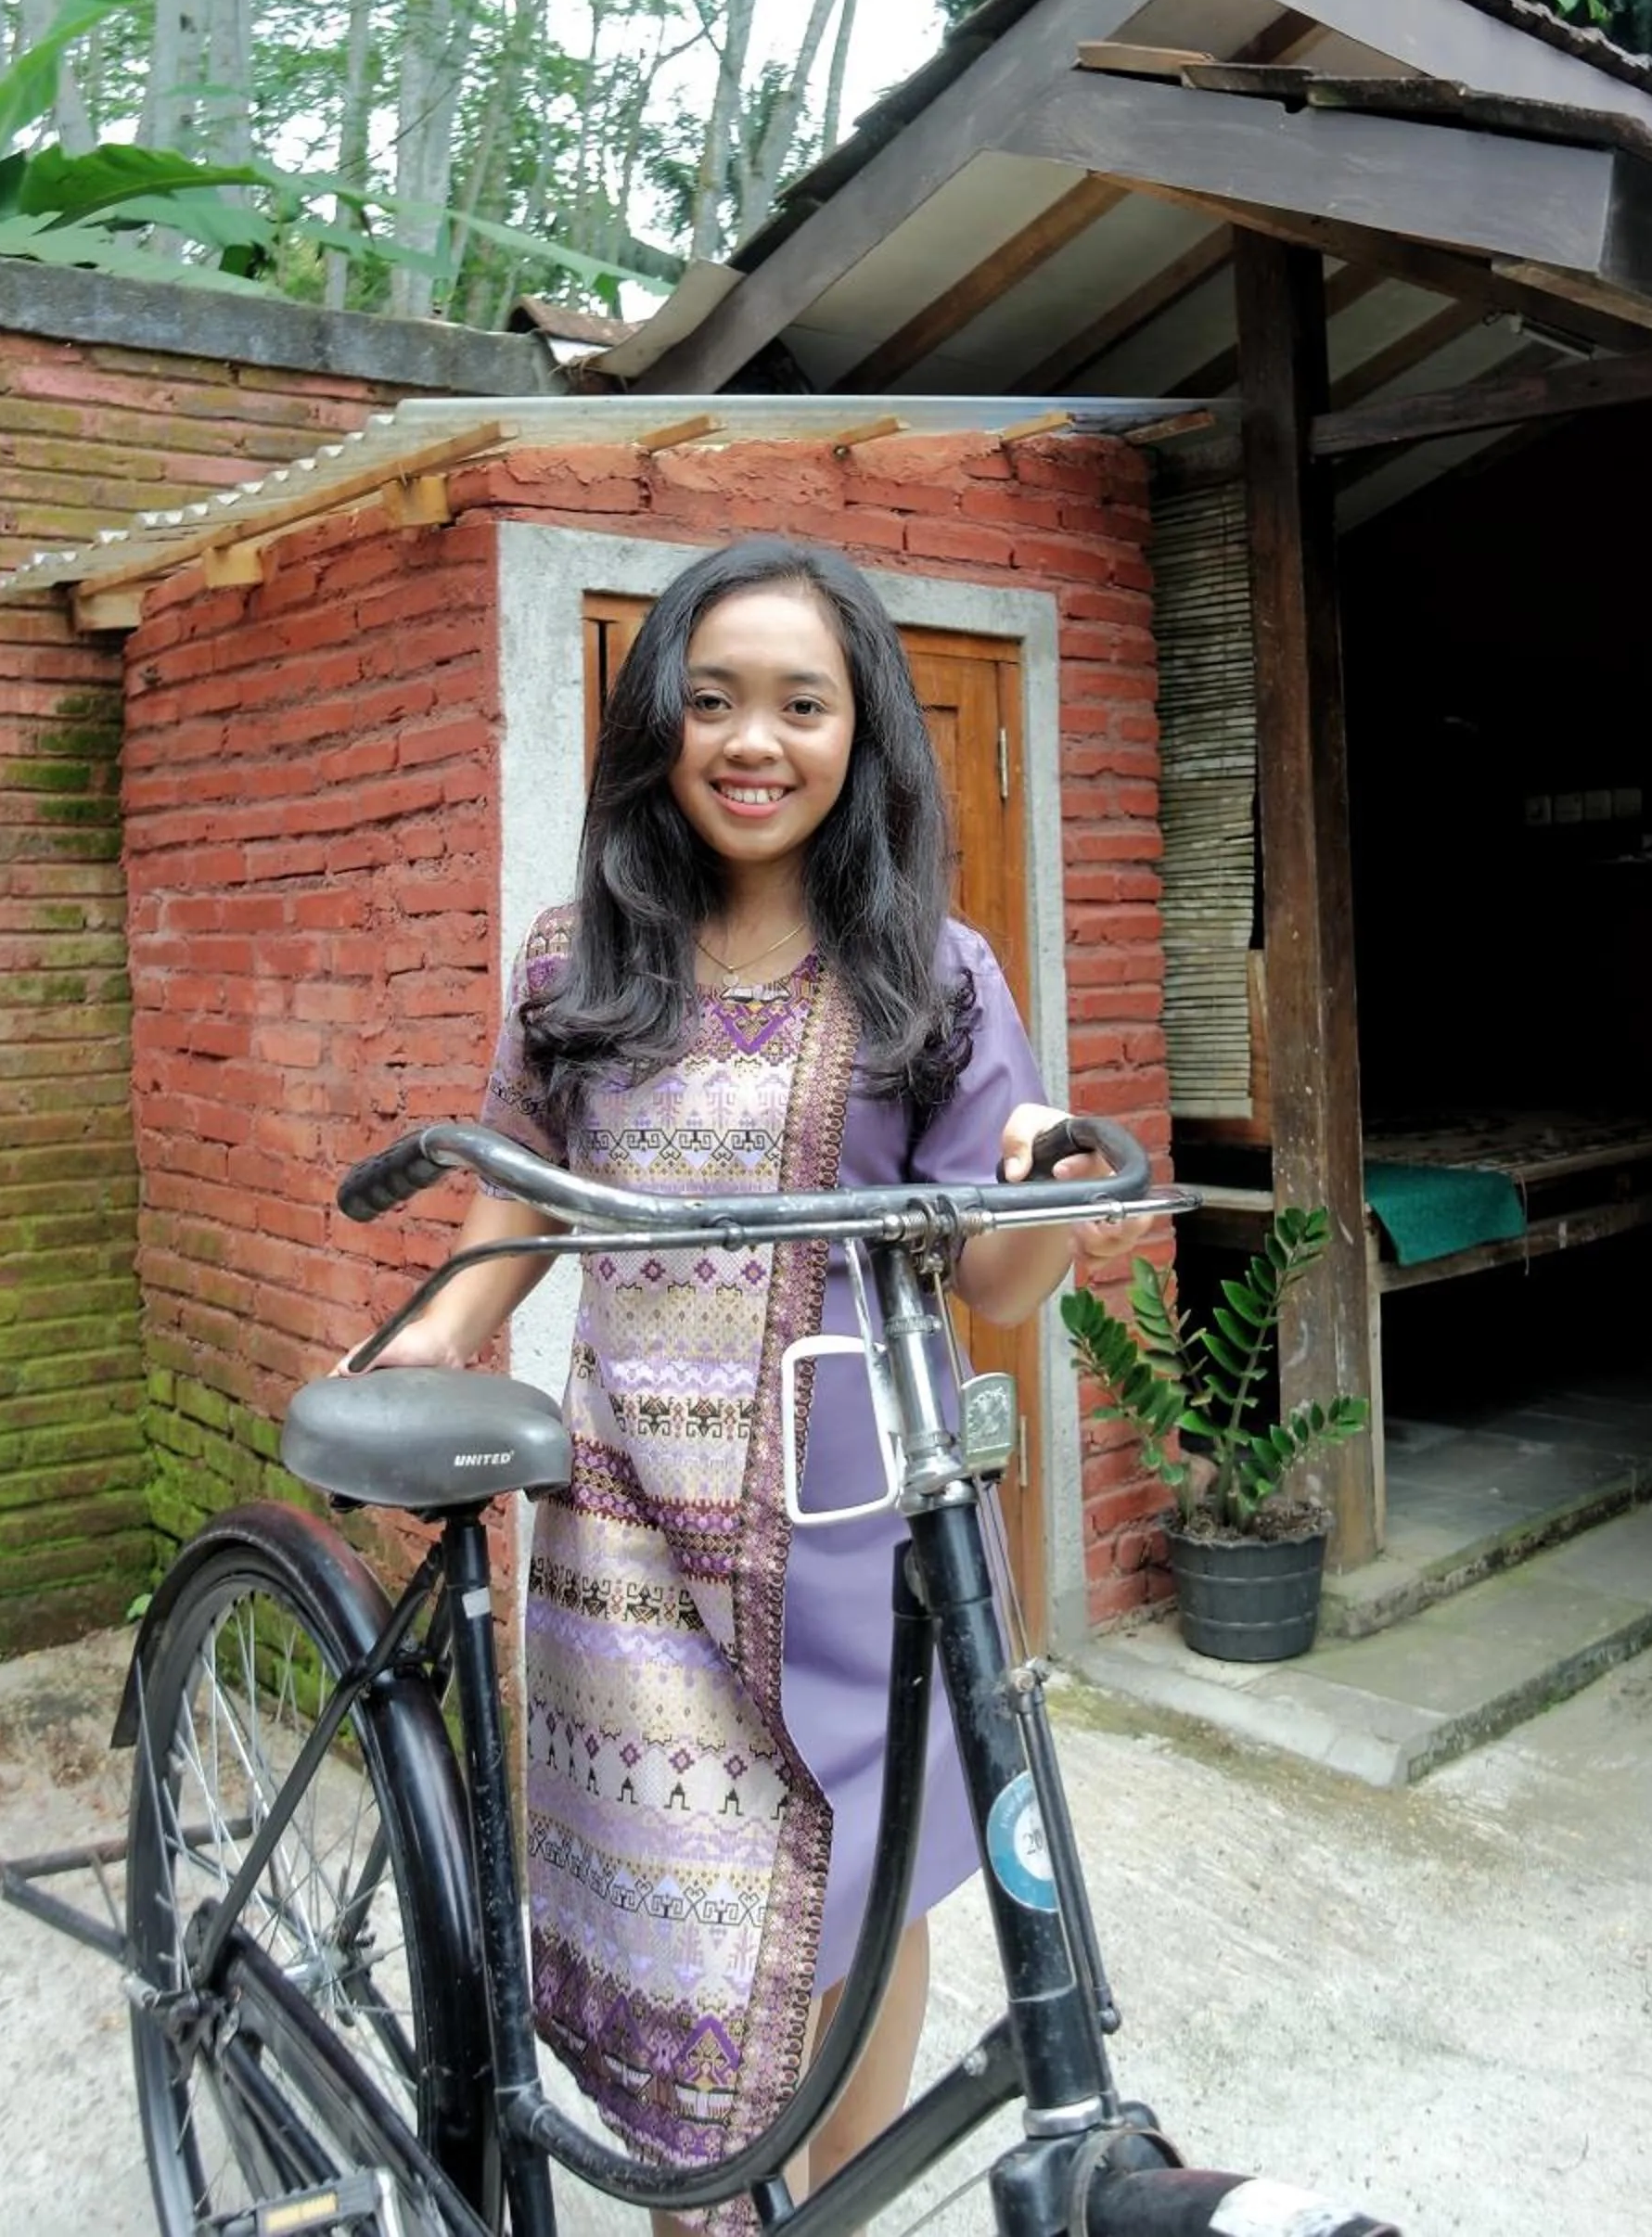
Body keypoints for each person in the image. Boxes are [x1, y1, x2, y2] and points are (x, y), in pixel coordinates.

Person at [359, 537, 1134, 2232]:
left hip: (860, 1537)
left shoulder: (931, 977)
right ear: (660, 727)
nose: (753, 741)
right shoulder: (583, 964)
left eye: (802, 703)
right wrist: (433, 1337)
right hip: (630, 1533)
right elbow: (525, 1195)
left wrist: (1043, 1186)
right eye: (711, 702)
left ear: (862, 735)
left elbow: (997, 1282)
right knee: (688, 1929)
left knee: (877, 1884)